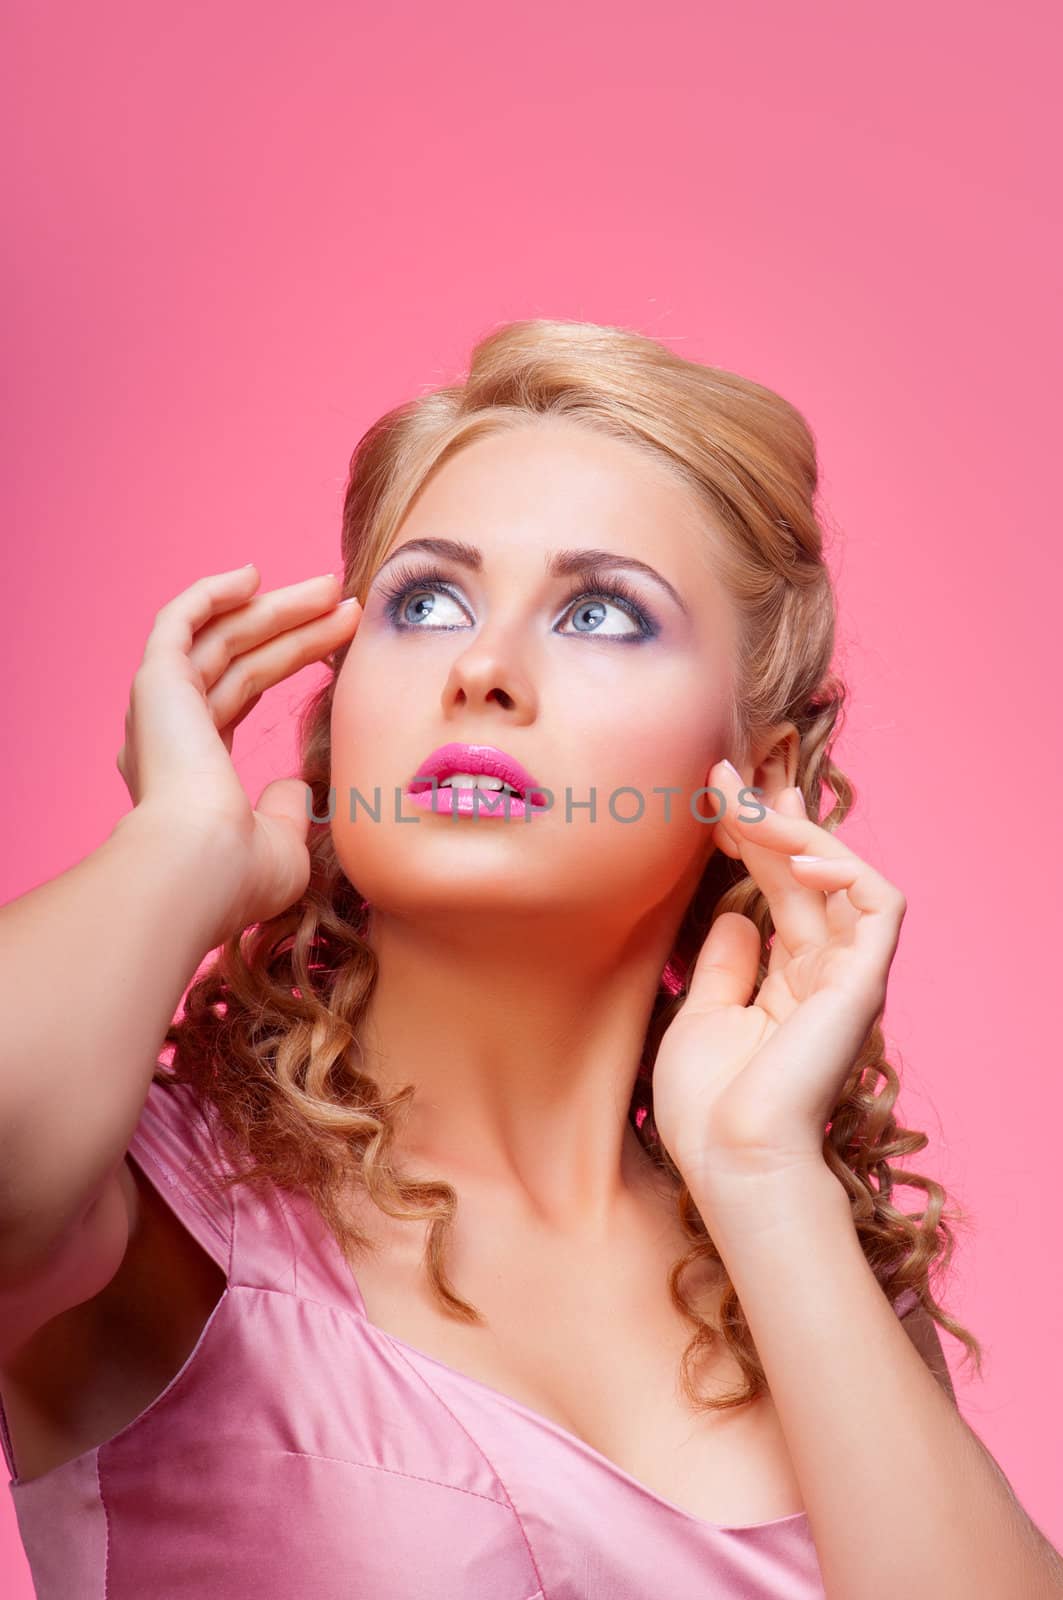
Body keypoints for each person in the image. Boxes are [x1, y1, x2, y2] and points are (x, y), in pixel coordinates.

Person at [1, 319, 1059, 1600]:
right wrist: (178, 846)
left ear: (759, 775)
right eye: (426, 603)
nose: (484, 671)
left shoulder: (805, 1275)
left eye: (601, 612)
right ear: (339, 720)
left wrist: (762, 1173)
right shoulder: (152, 1218)